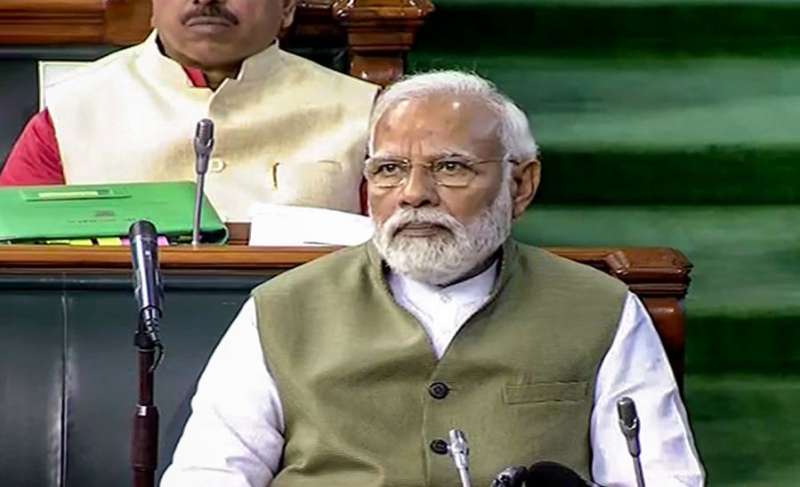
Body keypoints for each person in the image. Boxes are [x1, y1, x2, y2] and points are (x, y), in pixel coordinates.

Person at [161, 71, 705, 486]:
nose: (414, 195)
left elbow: (661, 477)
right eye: (389, 170)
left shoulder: (597, 308)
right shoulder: (283, 307)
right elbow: (210, 474)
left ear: (520, 186)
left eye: (450, 167)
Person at [0, 0, 378, 221]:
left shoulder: (365, 112)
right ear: (152, 7)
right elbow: (18, 251)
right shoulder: (72, 110)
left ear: (287, 8)